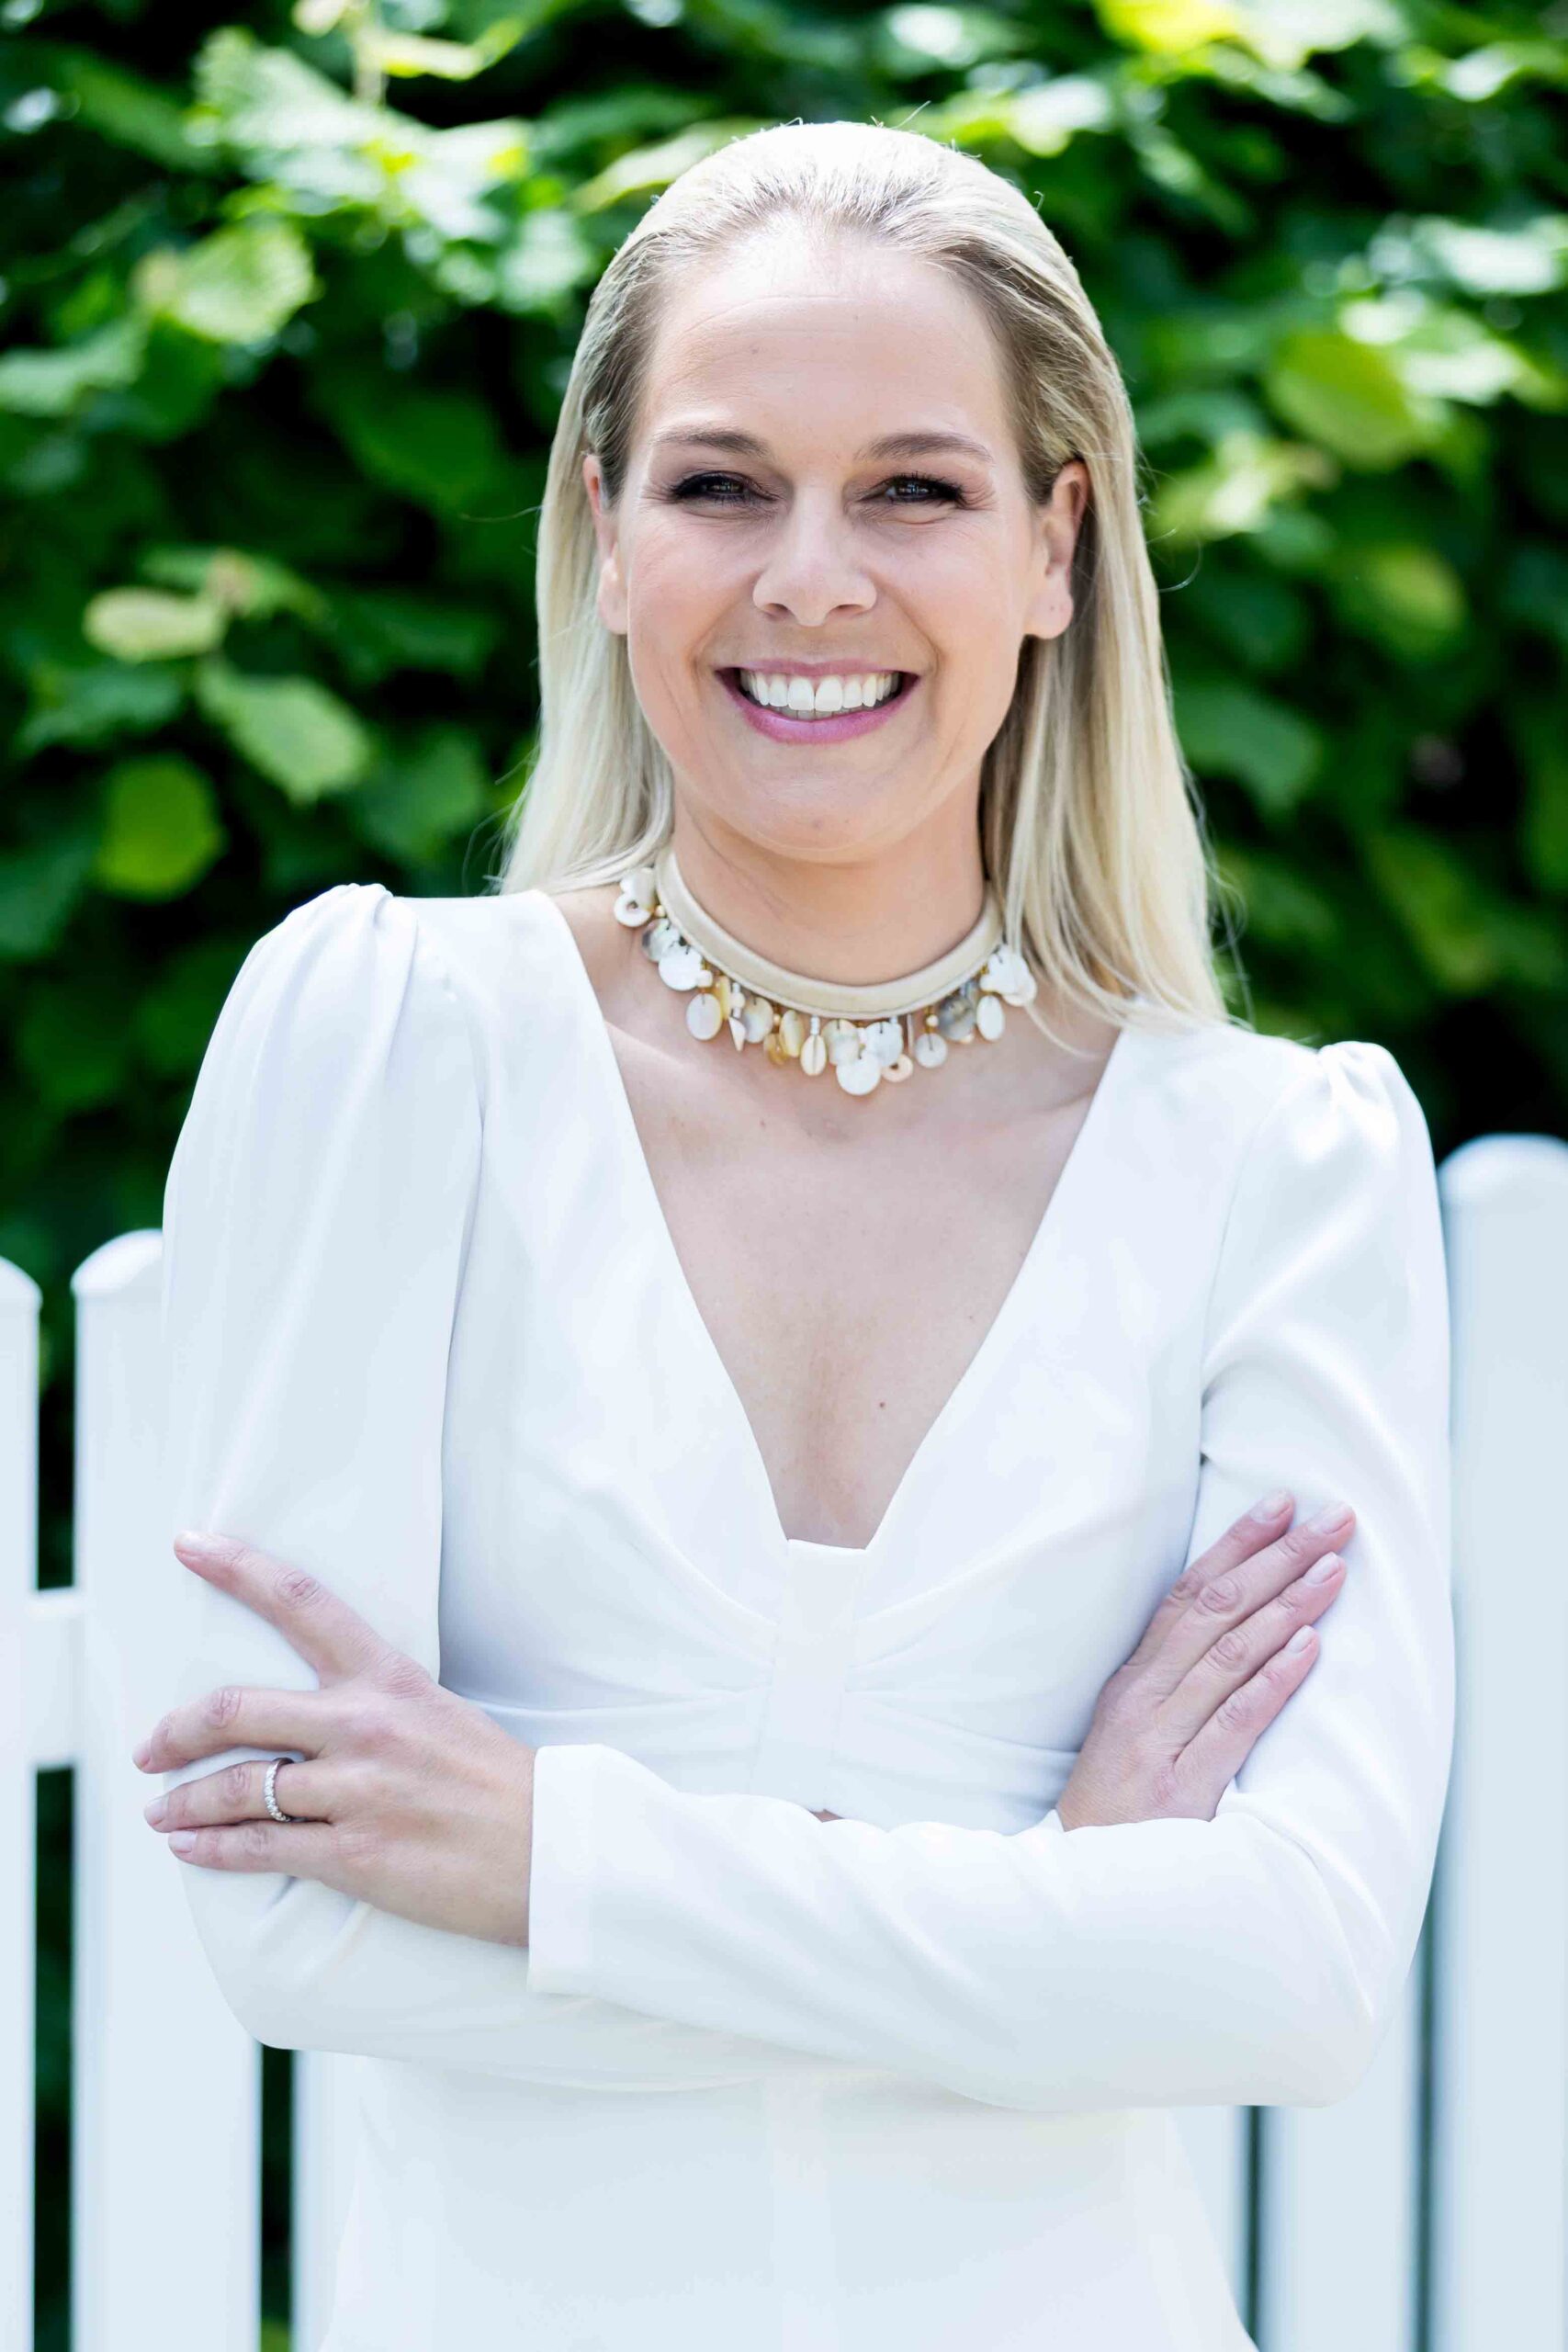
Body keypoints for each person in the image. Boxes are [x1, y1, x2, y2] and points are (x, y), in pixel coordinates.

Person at [135, 119, 1453, 2350]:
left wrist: (544, 1854)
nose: (810, 580)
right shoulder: (392, 1044)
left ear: (1053, 547)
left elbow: (1293, 1971)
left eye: (911, 489)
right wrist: (1066, 1913)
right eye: (722, 485)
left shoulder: (1271, 1163)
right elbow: (291, 1922)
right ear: (606, 534)